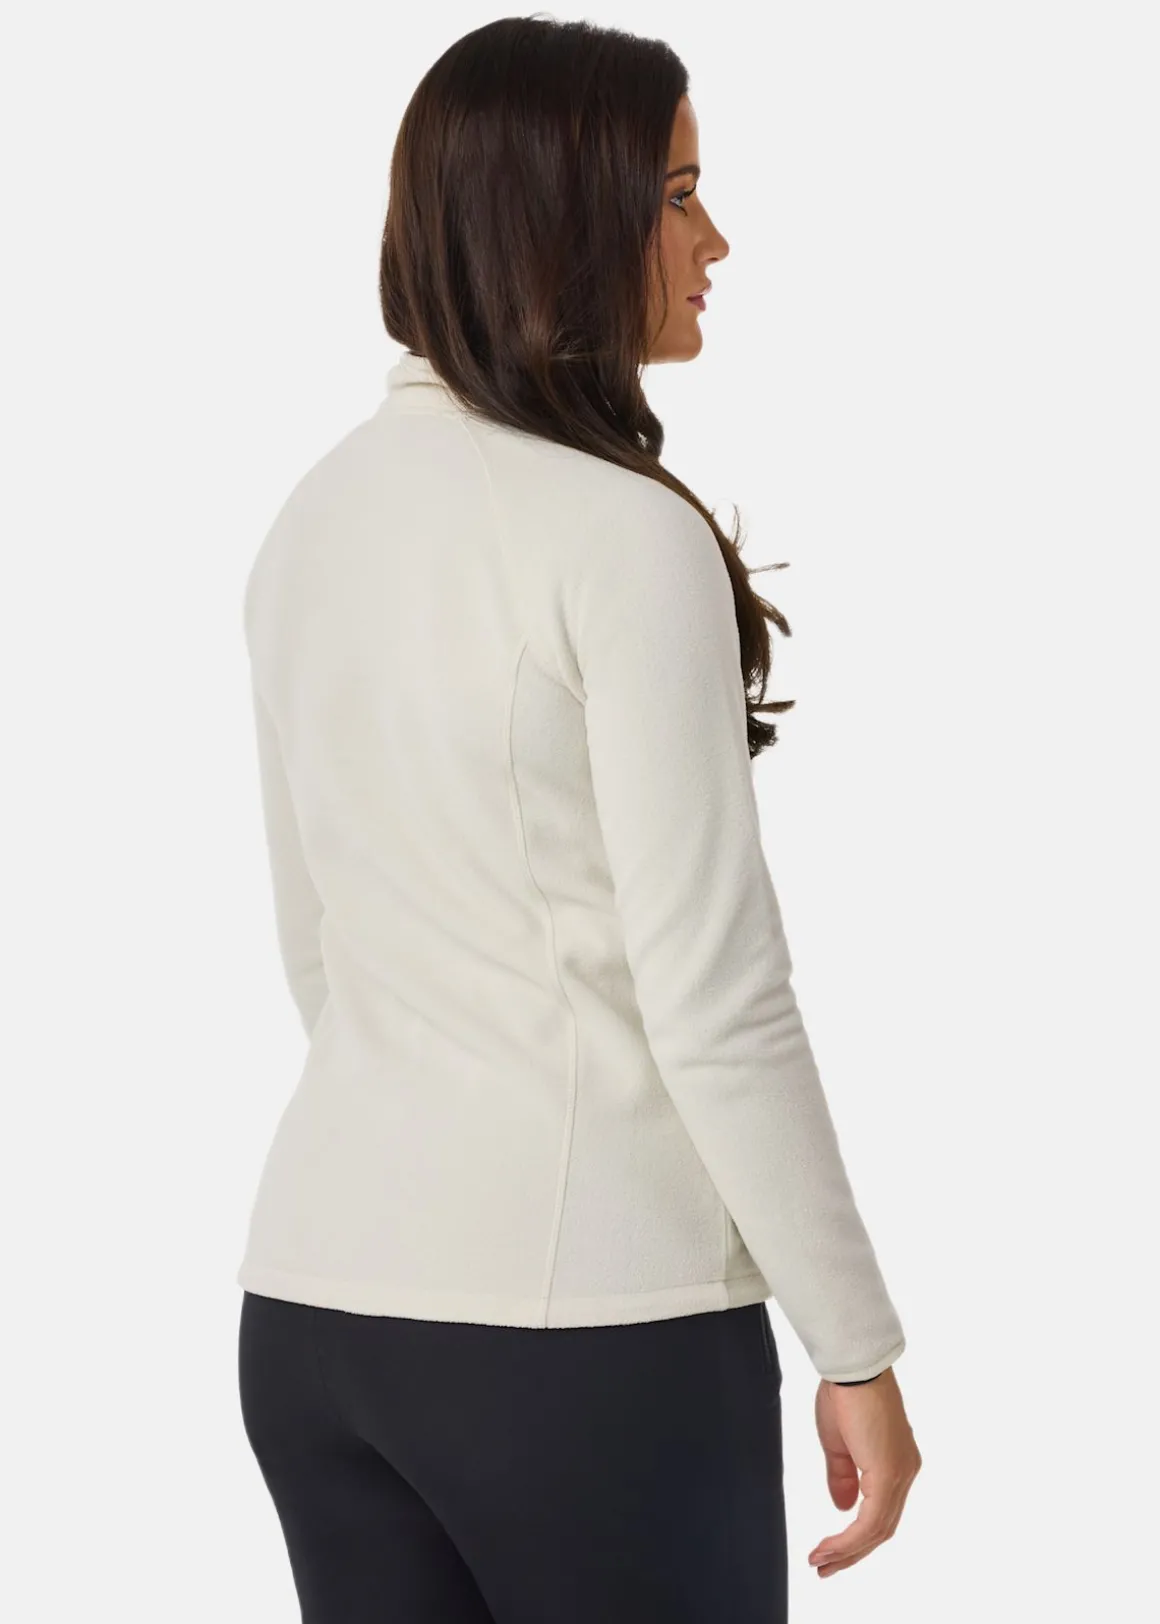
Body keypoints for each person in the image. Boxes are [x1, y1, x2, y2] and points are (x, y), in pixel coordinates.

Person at [235, 17, 921, 1623]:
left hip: (316, 1311)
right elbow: (717, 995)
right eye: (677, 195)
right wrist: (857, 1342)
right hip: (586, 1339)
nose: (714, 239)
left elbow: (318, 949)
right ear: (560, 215)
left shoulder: (308, 522)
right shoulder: (619, 538)